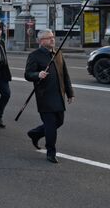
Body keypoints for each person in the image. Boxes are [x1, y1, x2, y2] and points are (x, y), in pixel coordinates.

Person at [25, 29, 74, 164]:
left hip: (59, 94)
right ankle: (51, 152)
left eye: (53, 37)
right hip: (45, 96)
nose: (52, 39)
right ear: (41, 41)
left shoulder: (58, 53)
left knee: (59, 122)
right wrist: (37, 75)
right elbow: (28, 74)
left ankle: (36, 133)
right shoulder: (35, 55)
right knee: (51, 125)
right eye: (48, 38)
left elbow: (65, 74)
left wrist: (70, 93)